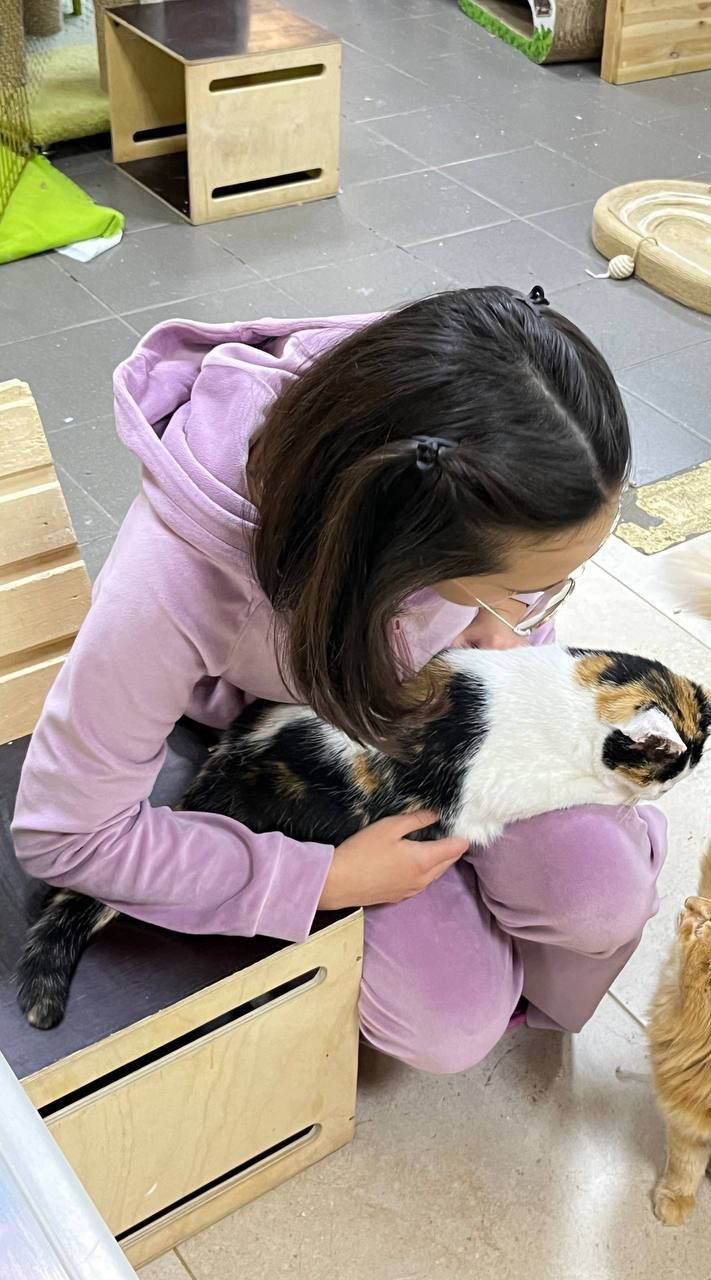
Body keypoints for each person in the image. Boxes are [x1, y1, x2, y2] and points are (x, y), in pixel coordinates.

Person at [13, 286, 667, 1073]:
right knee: (451, 1025)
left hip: (431, 722)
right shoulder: (174, 582)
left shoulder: (475, 445)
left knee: (604, 897)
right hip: (308, 749)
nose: (526, 623)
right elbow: (66, 833)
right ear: (406, 553)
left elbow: (513, 617)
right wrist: (317, 880)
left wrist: (500, 624)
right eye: (518, 591)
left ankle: (536, 961)